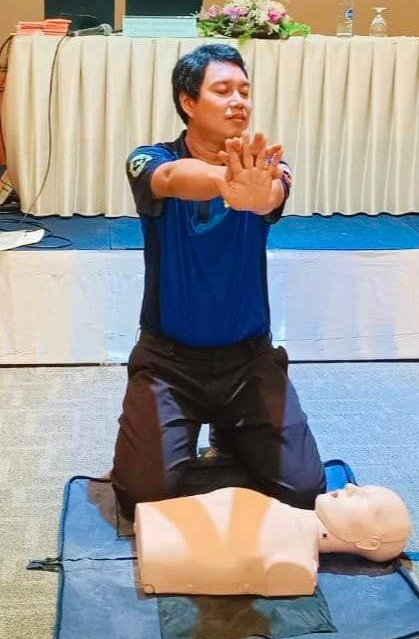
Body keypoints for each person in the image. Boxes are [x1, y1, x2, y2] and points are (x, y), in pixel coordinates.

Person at [110, 44, 325, 516]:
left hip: (248, 362)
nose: (239, 101)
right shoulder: (149, 158)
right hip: (168, 364)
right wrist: (224, 180)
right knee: (140, 496)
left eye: (245, 91)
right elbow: (171, 177)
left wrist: (257, 190)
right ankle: (184, 426)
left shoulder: (266, 165)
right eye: (223, 90)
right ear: (188, 102)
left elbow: (270, 194)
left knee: (305, 490)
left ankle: (231, 431)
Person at [134, 483, 411, 596]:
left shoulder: (295, 566)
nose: (350, 487)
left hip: (161, 554)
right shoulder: (276, 509)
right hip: (154, 523)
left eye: (364, 501)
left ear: (369, 543)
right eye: (360, 489)